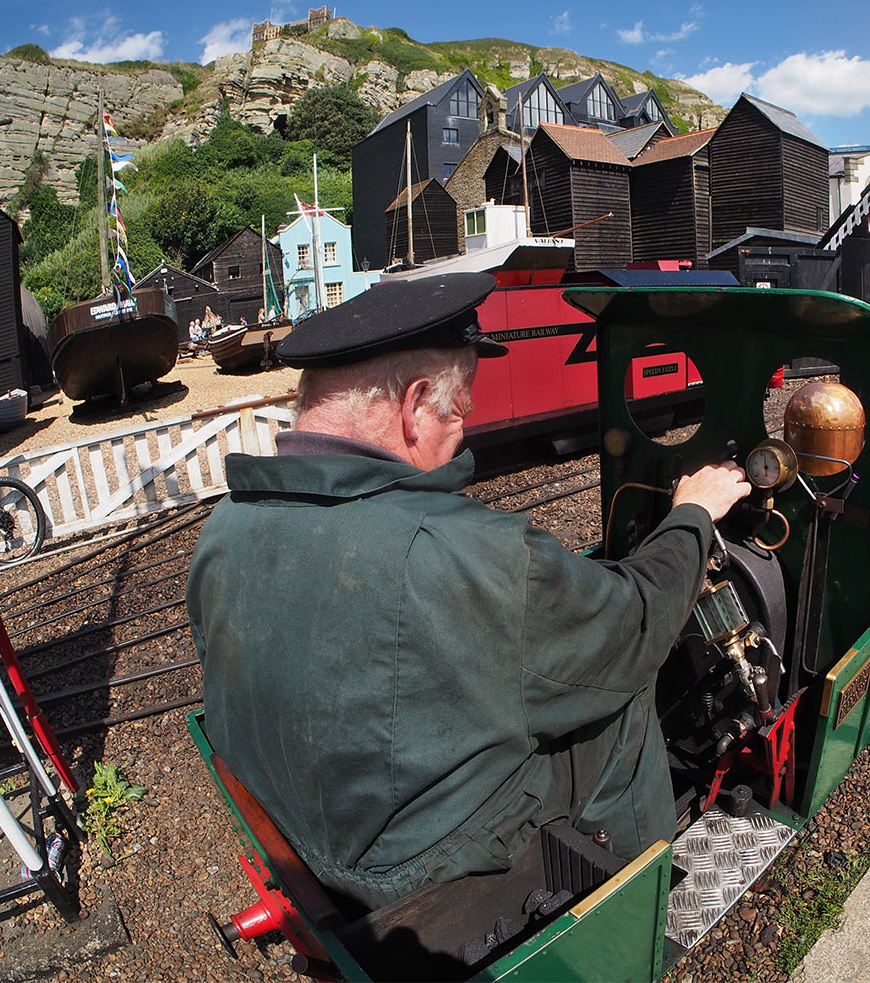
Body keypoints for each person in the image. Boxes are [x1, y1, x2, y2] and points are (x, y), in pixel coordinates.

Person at [188, 272, 751, 910]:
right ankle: (638, 905)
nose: (469, 421)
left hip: (306, 839)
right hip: (414, 872)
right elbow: (634, 624)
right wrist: (692, 516)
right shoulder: (466, 552)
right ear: (415, 404)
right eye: (461, 404)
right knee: (617, 692)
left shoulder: (222, 529)